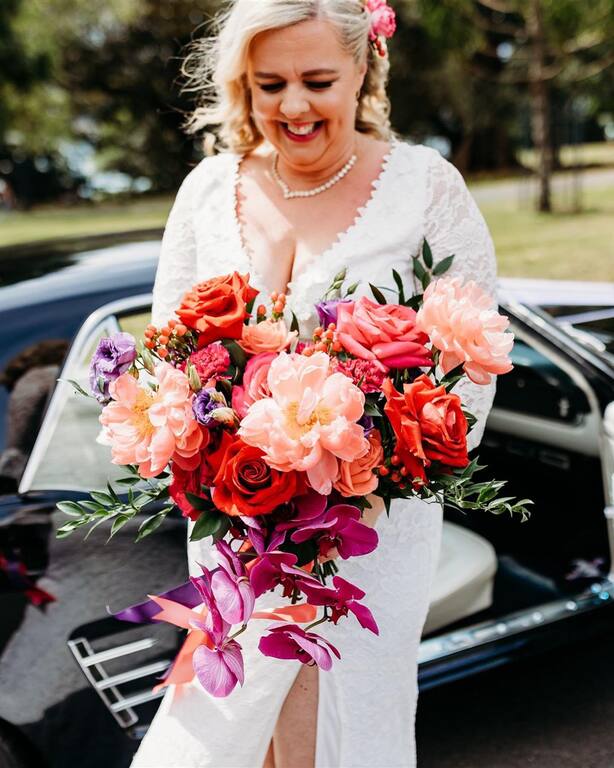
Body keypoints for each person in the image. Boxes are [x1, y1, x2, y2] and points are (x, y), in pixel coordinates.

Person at [131, 1, 498, 766]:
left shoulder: (427, 188)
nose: (293, 106)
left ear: (363, 70)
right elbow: (167, 359)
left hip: (374, 524)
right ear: (244, 86)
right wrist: (197, 449)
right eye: (270, 84)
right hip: (239, 510)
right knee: (232, 715)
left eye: (317, 80)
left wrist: (374, 479)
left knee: (347, 715)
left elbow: (474, 360)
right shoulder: (206, 192)